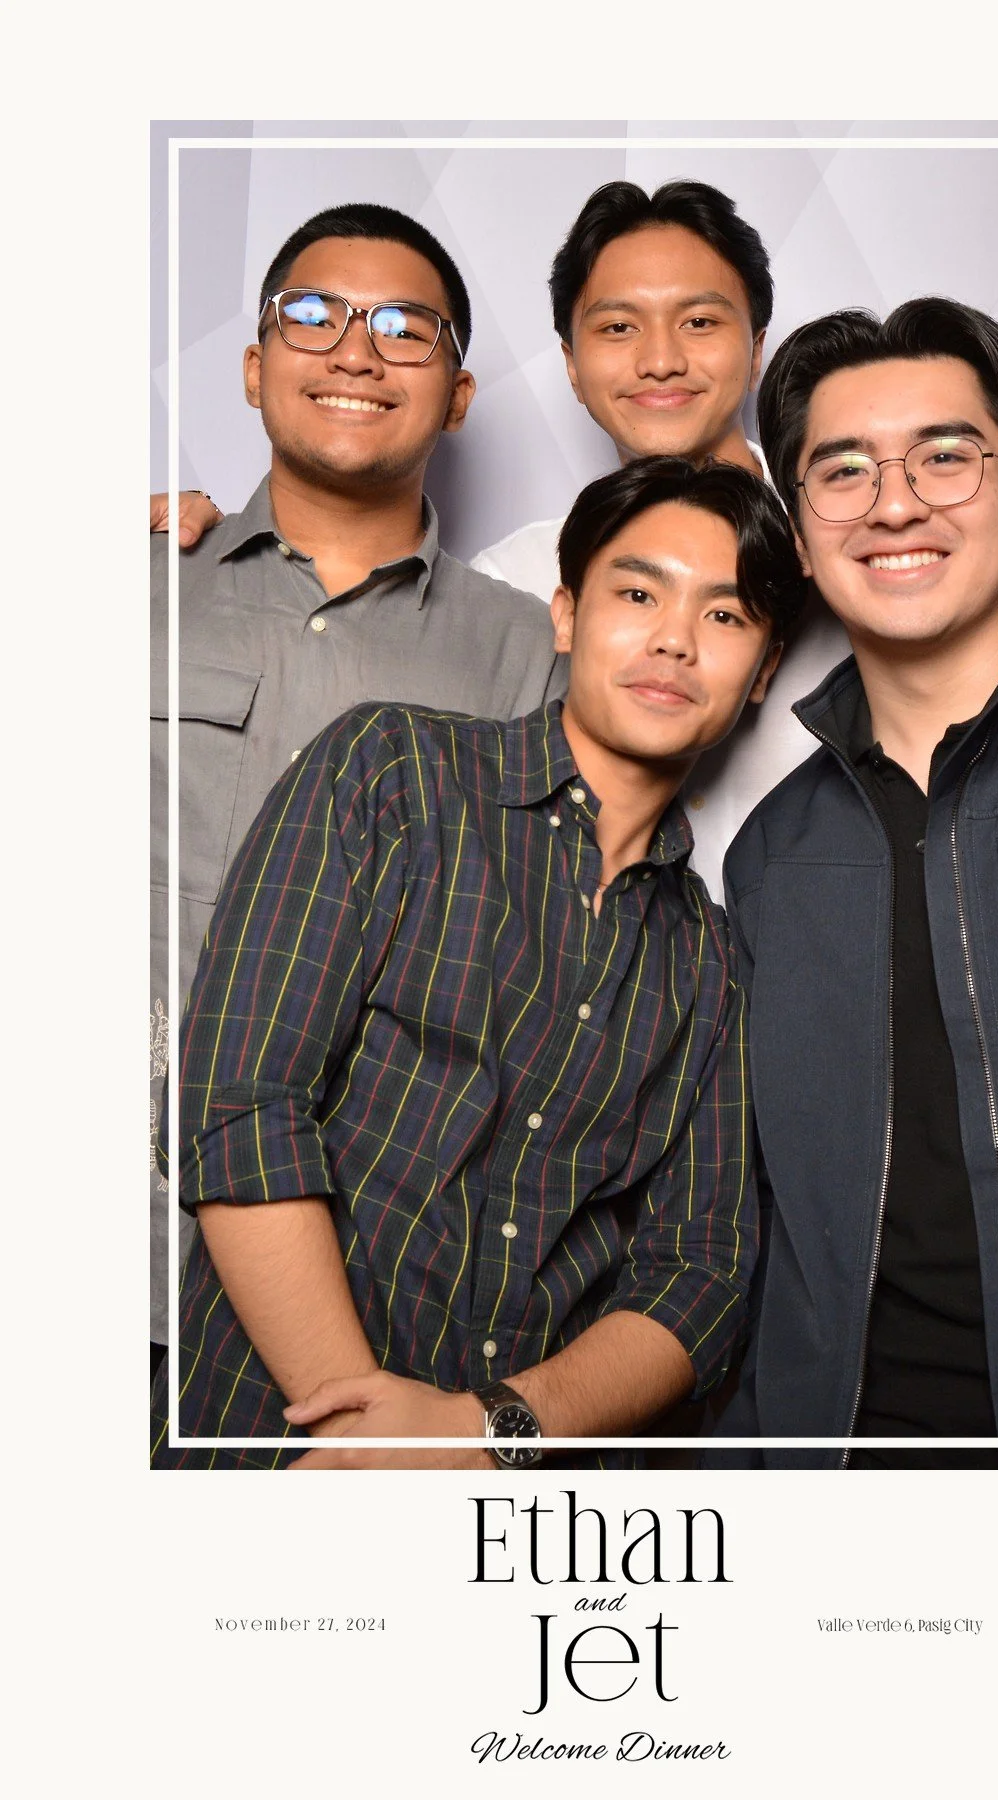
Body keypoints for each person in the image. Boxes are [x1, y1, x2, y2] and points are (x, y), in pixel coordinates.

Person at [150, 455, 803, 1470]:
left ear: (762, 670)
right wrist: (368, 1445)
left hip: (516, 1524)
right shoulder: (391, 772)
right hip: (266, 1456)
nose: (675, 638)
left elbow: (700, 1275)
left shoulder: (710, 962)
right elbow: (240, 1104)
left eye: (726, 618)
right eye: (638, 593)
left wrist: (481, 1434)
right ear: (568, 615)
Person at [158, 181, 849, 898]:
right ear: (573, 366)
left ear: (757, 345)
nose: (660, 360)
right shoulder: (517, 585)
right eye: (618, 328)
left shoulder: (855, 560)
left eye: (700, 322)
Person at [150, 202, 563, 1379]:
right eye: (313, 315)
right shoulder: (125, 582)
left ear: (461, 394)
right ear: (253, 365)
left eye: (403, 327)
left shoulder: (529, 653)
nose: (354, 349)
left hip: (356, 1295)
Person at [710, 298, 998, 1469]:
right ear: (800, 537)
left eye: (948, 457)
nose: (896, 502)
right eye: (842, 471)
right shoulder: (770, 858)